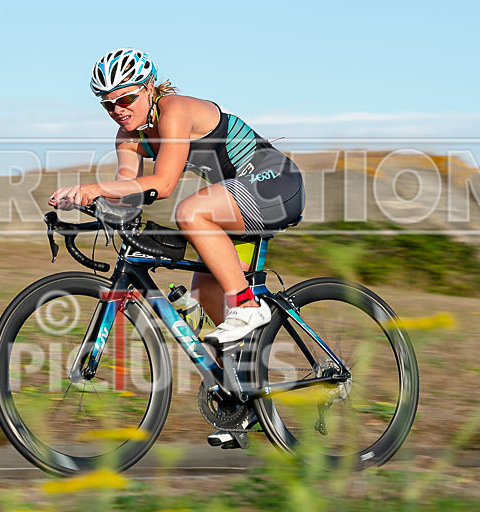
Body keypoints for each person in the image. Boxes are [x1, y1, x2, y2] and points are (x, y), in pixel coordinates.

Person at [49, 47, 304, 353]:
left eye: (126, 99)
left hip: (275, 182)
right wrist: (83, 203)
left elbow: (164, 184)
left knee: (191, 212)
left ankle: (247, 304)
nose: (118, 109)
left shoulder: (174, 110)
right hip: (238, 200)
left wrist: (95, 188)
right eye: (109, 105)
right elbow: (128, 190)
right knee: (206, 289)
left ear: (149, 88)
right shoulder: (128, 138)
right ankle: (239, 382)